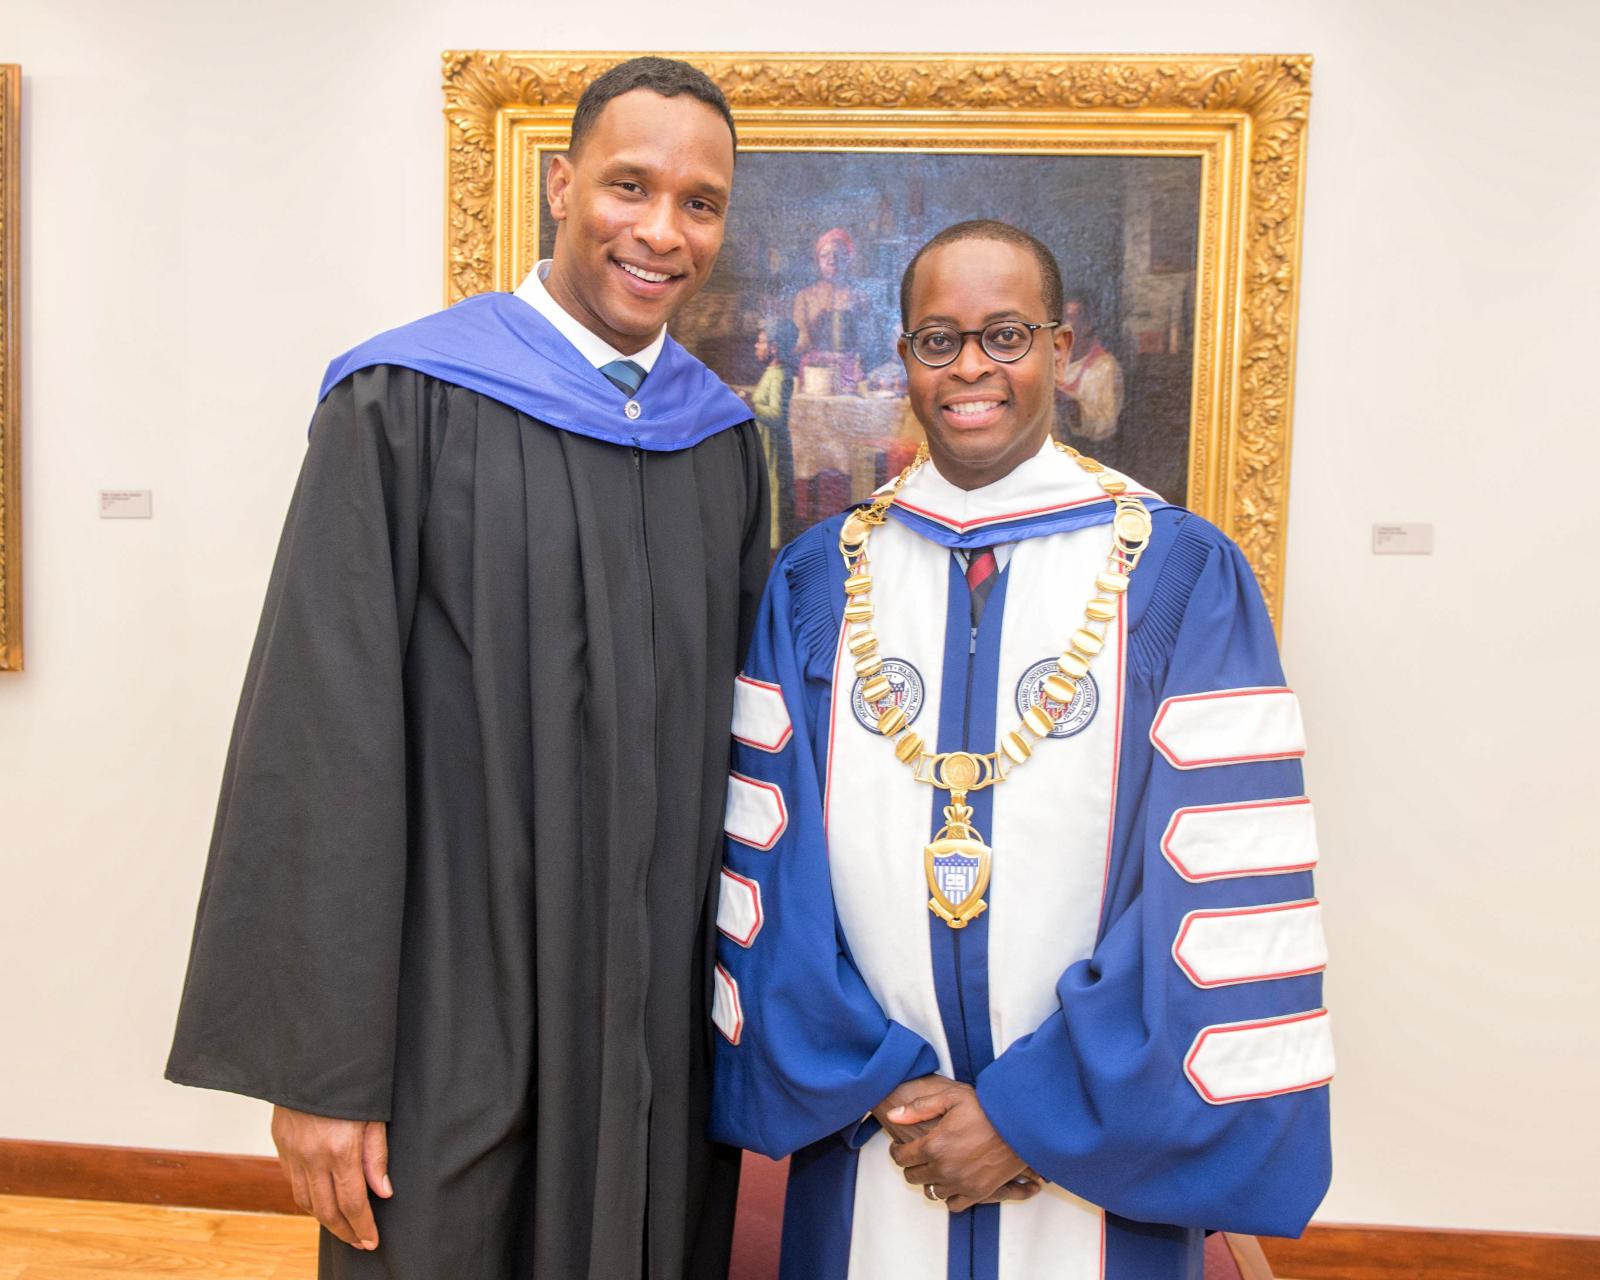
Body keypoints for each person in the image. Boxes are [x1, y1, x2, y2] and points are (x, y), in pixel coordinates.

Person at [166, 57, 767, 1280]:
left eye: (699, 202)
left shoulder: (722, 444)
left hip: (656, 1036)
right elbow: (316, 738)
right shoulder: (398, 402)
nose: (661, 230)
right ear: (559, 184)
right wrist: (320, 1070)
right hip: (449, 1023)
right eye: (628, 185)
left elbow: (754, 754)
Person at [709, 220, 1331, 1278]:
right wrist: (886, 1085)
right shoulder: (820, 583)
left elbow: (1208, 903)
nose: (972, 369)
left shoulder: (1175, 574)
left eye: (1005, 334)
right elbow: (778, 886)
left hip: (1095, 1141)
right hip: (878, 1130)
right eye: (938, 338)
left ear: (1058, 343)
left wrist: (1026, 1116)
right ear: (899, 357)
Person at [792, 227, 867, 391]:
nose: (832, 260)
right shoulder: (805, 296)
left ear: (848, 258)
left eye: (838, 254)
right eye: (825, 255)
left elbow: (868, 341)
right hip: (815, 371)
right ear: (818, 261)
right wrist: (812, 327)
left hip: (850, 372)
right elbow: (798, 344)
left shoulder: (860, 297)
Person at [749, 318, 797, 552]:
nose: (756, 347)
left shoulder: (781, 375)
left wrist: (751, 405)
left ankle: (774, 545)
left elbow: (777, 415)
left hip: (773, 444)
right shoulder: (771, 372)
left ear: (775, 347)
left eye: (761, 342)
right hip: (764, 442)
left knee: (774, 489)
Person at [1055, 290, 1124, 442]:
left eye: (1070, 318)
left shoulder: (1104, 366)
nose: (1062, 325)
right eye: (1062, 318)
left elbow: (1106, 424)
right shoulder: (1051, 357)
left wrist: (1070, 405)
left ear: (1088, 324)